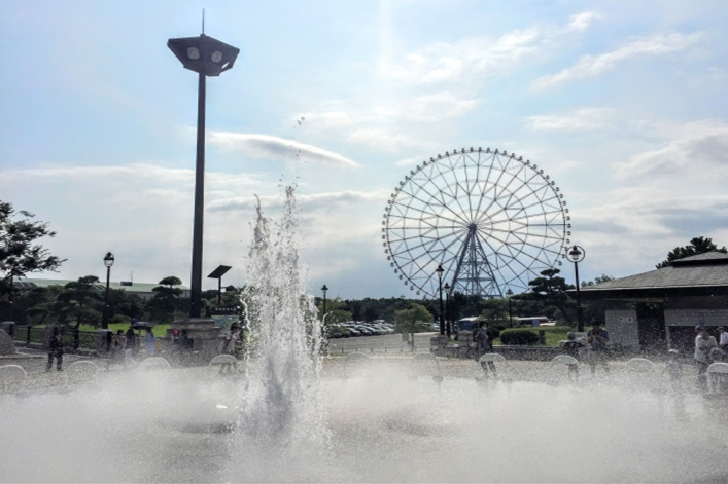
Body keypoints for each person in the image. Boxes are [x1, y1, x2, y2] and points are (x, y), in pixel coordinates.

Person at [694, 326, 717, 392]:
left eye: (704, 332)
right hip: (700, 358)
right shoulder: (698, 338)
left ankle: (712, 384)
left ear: (707, 333)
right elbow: (701, 348)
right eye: (701, 333)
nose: (702, 334)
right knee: (701, 371)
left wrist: (707, 347)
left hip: (710, 358)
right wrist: (710, 347)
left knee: (711, 370)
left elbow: (716, 346)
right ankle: (701, 385)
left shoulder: (712, 338)